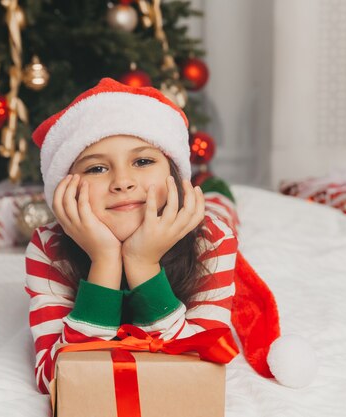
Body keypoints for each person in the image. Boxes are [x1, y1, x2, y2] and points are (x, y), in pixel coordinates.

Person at [25, 78, 316, 393]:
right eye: (97, 168)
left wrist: (141, 262)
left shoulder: (213, 238)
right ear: (64, 189)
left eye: (143, 161)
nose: (123, 182)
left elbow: (201, 368)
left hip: (199, 219)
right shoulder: (48, 247)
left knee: (221, 207)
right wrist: (105, 261)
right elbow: (55, 379)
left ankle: (219, 189)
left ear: (174, 174)